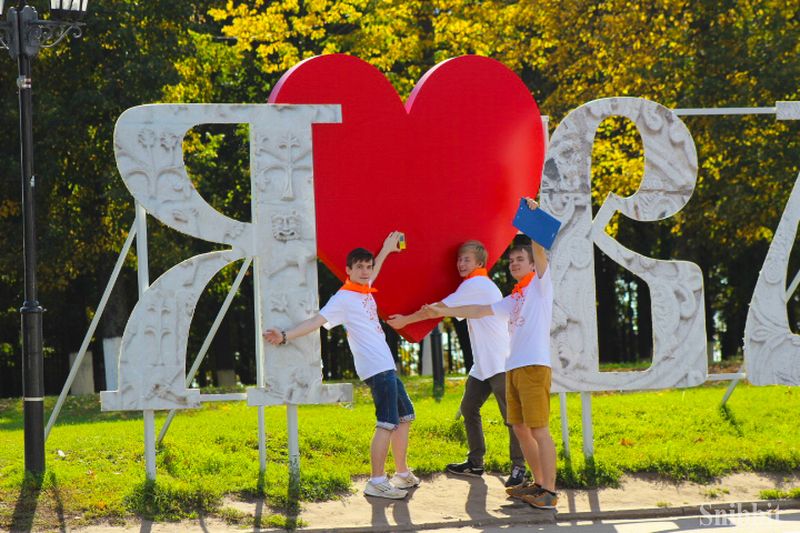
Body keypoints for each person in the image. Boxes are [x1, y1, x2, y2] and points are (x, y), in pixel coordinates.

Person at [264, 231, 419, 500]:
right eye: (359, 267)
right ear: (348, 270)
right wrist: (286, 335)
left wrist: (385, 250)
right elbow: (316, 321)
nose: (365, 271)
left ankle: (402, 473)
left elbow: (375, 272)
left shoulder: (365, 291)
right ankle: (377, 480)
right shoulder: (344, 298)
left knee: (405, 417)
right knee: (387, 422)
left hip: (386, 366)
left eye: (367, 266)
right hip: (376, 369)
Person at [425, 199, 558, 510]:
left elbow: (540, 249)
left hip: (535, 367)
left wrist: (534, 219)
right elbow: (479, 310)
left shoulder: (540, 287)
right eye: (510, 259)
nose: (513, 263)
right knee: (522, 430)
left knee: (539, 430)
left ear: (533, 264)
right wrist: (442, 310)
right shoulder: (514, 298)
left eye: (520, 259)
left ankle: (549, 491)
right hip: (513, 368)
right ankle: (537, 485)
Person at [387, 240, 527, 487]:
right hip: (483, 365)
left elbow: (437, 310)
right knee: (469, 408)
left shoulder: (478, 284)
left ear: (480, 263)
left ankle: (519, 468)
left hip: (500, 363)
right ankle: (475, 463)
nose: (461, 264)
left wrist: (405, 321)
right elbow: (446, 309)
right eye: (460, 259)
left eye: (467, 260)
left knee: (512, 417)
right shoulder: (471, 285)